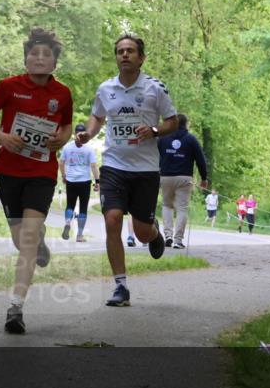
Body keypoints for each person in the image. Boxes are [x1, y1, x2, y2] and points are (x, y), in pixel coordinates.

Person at [0, 27, 73, 334]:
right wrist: (2, 136)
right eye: (34, 54)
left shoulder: (62, 93)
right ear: (26, 59)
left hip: (42, 172)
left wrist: (61, 140)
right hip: (9, 172)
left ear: (55, 62)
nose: (39, 59)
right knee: (22, 240)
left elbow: (67, 126)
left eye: (46, 55)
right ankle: (38, 240)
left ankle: (15, 308)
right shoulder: (8, 86)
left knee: (26, 240)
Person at [74, 33, 178, 307]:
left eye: (131, 51)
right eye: (120, 51)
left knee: (141, 232)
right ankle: (120, 286)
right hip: (114, 164)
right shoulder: (105, 89)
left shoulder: (155, 88)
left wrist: (154, 130)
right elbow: (97, 116)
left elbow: (173, 122)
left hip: (145, 168)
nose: (125, 55)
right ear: (116, 57)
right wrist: (88, 134)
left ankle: (153, 233)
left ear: (141, 58)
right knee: (112, 220)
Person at [158, 114, 208, 249]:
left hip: (165, 176)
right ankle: (177, 241)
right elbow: (201, 160)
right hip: (184, 178)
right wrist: (204, 178)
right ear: (186, 124)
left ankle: (167, 235)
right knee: (182, 208)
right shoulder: (191, 139)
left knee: (167, 205)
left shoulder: (162, 138)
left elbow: (155, 156)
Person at [59, 123, 99, 243]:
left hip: (71, 180)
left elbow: (61, 162)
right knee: (83, 208)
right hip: (85, 182)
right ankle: (80, 235)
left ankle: (67, 223)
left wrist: (64, 175)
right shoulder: (89, 149)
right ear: (84, 133)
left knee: (70, 205)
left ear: (75, 133)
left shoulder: (67, 147)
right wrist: (97, 182)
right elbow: (93, 166)